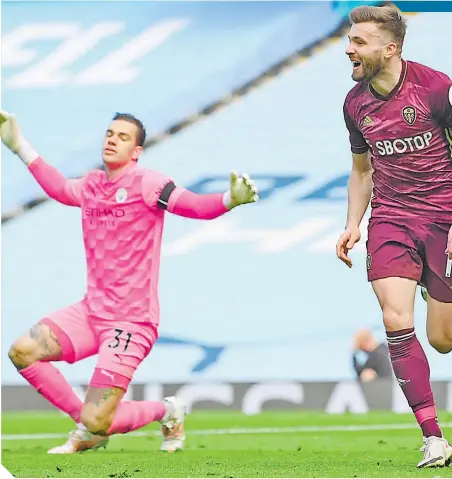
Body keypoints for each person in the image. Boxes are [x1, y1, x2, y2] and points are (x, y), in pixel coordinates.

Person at [0, 110, 259, 454]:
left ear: (136, 151)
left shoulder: (148, 184)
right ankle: (90, 426)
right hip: (91, 312)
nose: (112, 139)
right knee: (23, 352)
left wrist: (230, 200)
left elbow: (194, 205)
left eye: (123, 137)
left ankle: (167, 410)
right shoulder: (92, 184)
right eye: (109, 133)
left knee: (97, 419)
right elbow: (60, 188)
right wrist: (19, 146)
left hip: (131, 322)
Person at [335, 5, 452, 469]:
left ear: (390, 49)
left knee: (443, 340)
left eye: (359, 42)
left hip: (445, 219)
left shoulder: (436, 88)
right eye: (349, 40)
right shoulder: (354, 105)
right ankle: (433, 436)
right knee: (393, 318)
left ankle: (440, 292)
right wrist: (353, 223)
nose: (349, 49)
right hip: (391, 219)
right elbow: (362, 170)